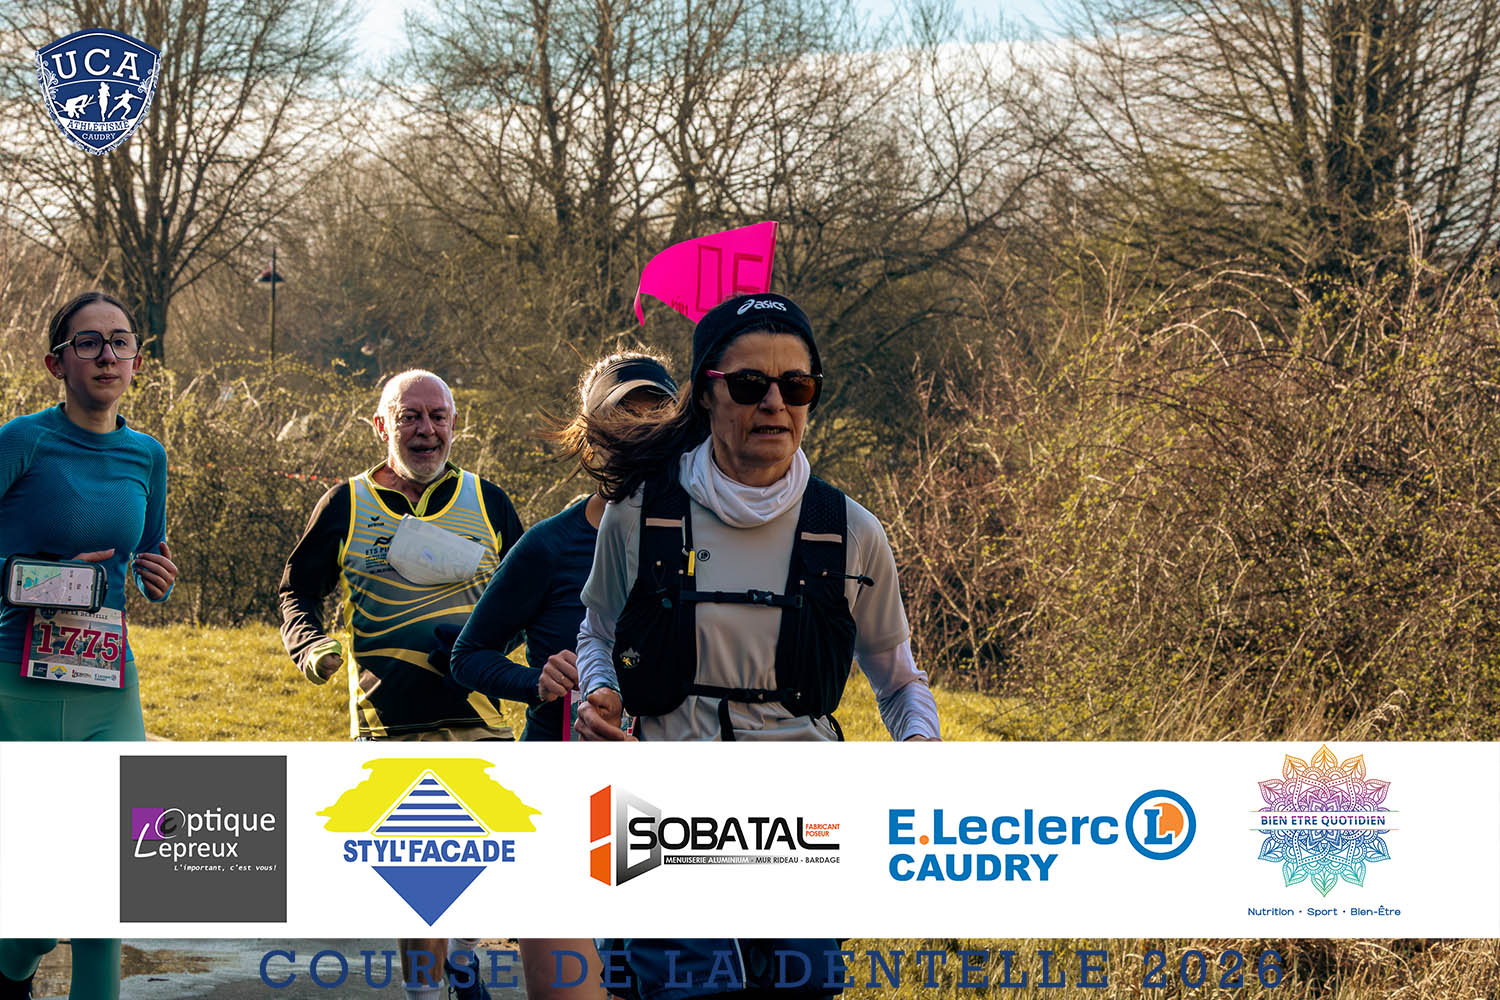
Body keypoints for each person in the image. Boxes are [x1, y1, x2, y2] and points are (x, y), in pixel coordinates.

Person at [573, 293, 939, 997]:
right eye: (749, 385)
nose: (775, 403)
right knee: (679, 989)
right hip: (657, 803)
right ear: (707, 394)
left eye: (796, 386)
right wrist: (601, 694)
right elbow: (597, 633)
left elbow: (898, 681)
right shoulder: (639, 514)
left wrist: (920, 747)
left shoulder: (852, 530)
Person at [277, 368, 523, 1000]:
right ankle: (425, 994)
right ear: (381, 426)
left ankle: (463, 960)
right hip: (390, 724)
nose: (426, 430)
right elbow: (297, 590)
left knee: (479, 872)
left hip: (479, 717)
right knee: (419, 886)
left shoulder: (489, 502)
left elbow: (531, 600)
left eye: (437, 416)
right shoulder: (345, 503)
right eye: (409, 416)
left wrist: (498, 658)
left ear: (455, 424)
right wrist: (310, 645)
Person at [450, 351, 676, 1000]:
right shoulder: (549, 545)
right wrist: (538, 683)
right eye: (622, 423)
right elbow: (470, 654)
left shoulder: (706, 545)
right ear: (589, 439)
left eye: (655, 422)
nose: (639, 438)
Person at [0, 290, 178, 998]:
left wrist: (157, 577)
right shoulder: (22, 441)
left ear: (136, 359)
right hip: (16, 683)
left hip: (108, 684)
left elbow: (146, 553)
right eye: (88, 342)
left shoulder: (147, 454)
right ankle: (12, 962)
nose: (108, 355)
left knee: (109, 887)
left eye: (121, 341)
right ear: (57, 362)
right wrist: (44, 580)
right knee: (40, 900)